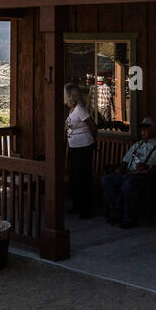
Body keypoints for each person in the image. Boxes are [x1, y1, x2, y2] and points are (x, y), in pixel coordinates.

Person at [100, 117, 156, 228]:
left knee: (128, 184)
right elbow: (126, 160)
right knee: (107, 180)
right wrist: (121, 168)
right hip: (128, 173)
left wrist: (148, 167)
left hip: (147, 177)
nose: (142, 132)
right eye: (141, 129)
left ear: (154, 130)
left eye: (146, 129)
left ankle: (128, 218)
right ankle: (117, 211)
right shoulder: (137, 144)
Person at [63, 83, 97, 219]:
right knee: (74, 178)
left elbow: (93, 127)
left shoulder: (80, 110)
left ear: (70, 95)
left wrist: (93, 143)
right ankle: (77, 206)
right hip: (74, 147)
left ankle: (86, 210)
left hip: (83, 148)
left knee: (83, 178)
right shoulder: (71, 109)